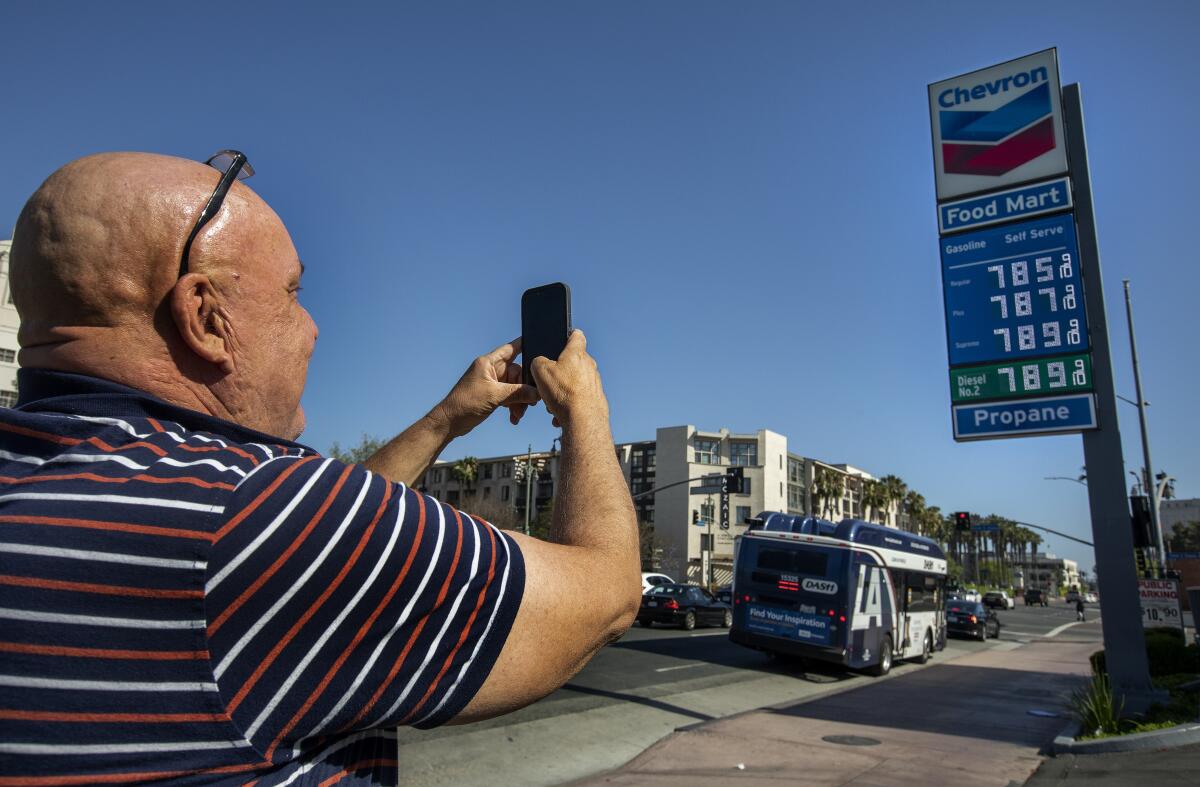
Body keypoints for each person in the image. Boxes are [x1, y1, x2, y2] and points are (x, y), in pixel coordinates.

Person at [0, 151, 641, 785]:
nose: (310, 329)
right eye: (292, 293)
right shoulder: (251, 510)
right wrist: (584, 408)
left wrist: (448, 418)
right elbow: (606, 596)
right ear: (204, 316)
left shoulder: (76, 488)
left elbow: (326, 541)